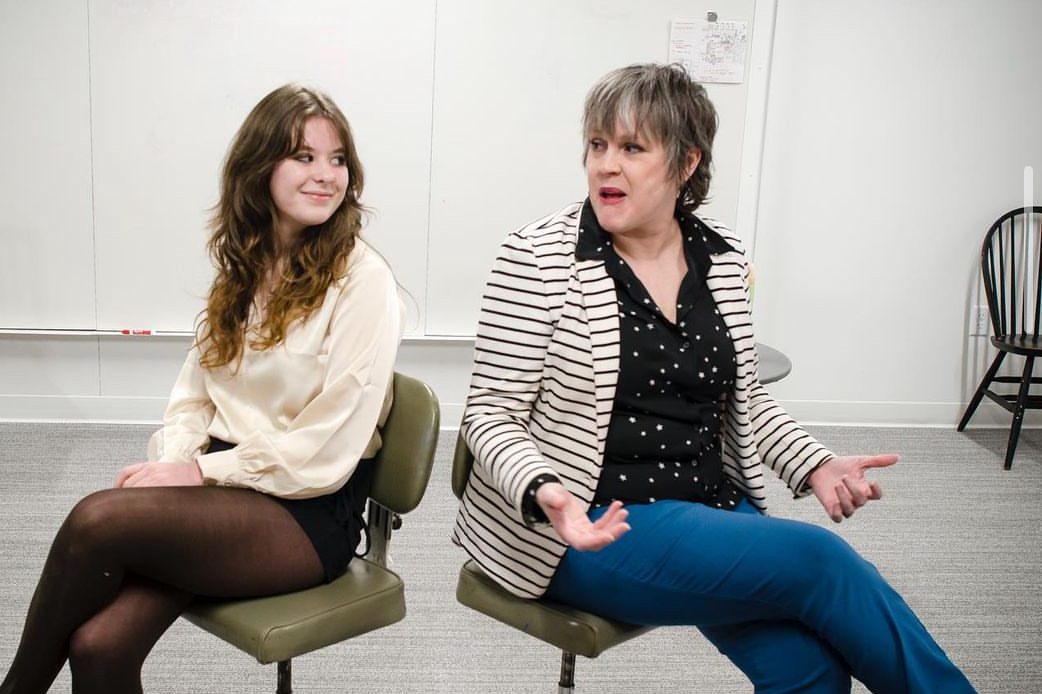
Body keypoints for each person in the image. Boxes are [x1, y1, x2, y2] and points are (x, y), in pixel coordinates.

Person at [453, 64, 975, 693]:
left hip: (712, 507)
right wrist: (546, 491)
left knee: (808, 674)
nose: (604, 166)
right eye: (597, 145)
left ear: (685, 163)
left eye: (632, 147)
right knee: (821, 560)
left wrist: (815, 465)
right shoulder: (536, 257)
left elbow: (743, 399)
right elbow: (488, 413)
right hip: (592, 525)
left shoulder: (722, 257)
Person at [1, 84, 403, 694]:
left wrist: (196, 477)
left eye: (338, 159)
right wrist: (177, 466)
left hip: (304, 511)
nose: (326, 175)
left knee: (97, 521)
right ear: (260, 167)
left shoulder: (363, 281)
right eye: (304, 156)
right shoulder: (245, 264)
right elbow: (195, 394)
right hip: (221, 491)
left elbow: (323, 450)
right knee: (98, 645)